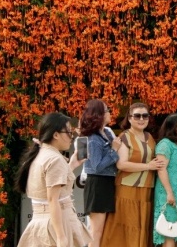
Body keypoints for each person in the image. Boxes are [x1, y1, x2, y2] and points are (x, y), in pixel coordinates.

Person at [15, 112, 92, 247]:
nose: (71, 137)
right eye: (68, 132)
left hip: (42, 220)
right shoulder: (54, 159)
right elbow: (52, 199)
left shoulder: (42, 154)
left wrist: (72, 165)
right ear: (56, 135)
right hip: (57, 221)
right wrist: (61, 236)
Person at [101, 103, 164, 247]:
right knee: (126, 229)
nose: (141, 119)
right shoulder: (124, 136)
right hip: (127, 190)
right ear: (129, 118)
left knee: (141, 228)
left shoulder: (150, 137)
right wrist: (148, 166)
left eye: (145, 116)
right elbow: (121, 164)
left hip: (147, 189)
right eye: (137, 116)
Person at [80, 99, 121, 247]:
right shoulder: (93, 139)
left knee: (103, 231)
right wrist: (114, 150)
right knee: (95, 233)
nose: (109, 113)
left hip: (107, 183)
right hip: (97, 184)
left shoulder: (106, 133)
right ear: (98, 115)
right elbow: (97, 166)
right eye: (106, 110)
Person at [154, 112, 177, 247]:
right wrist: (169, 192)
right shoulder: (165, 144)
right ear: (176, 127)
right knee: (169, 231)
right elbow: (161, 169)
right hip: (169, 193)